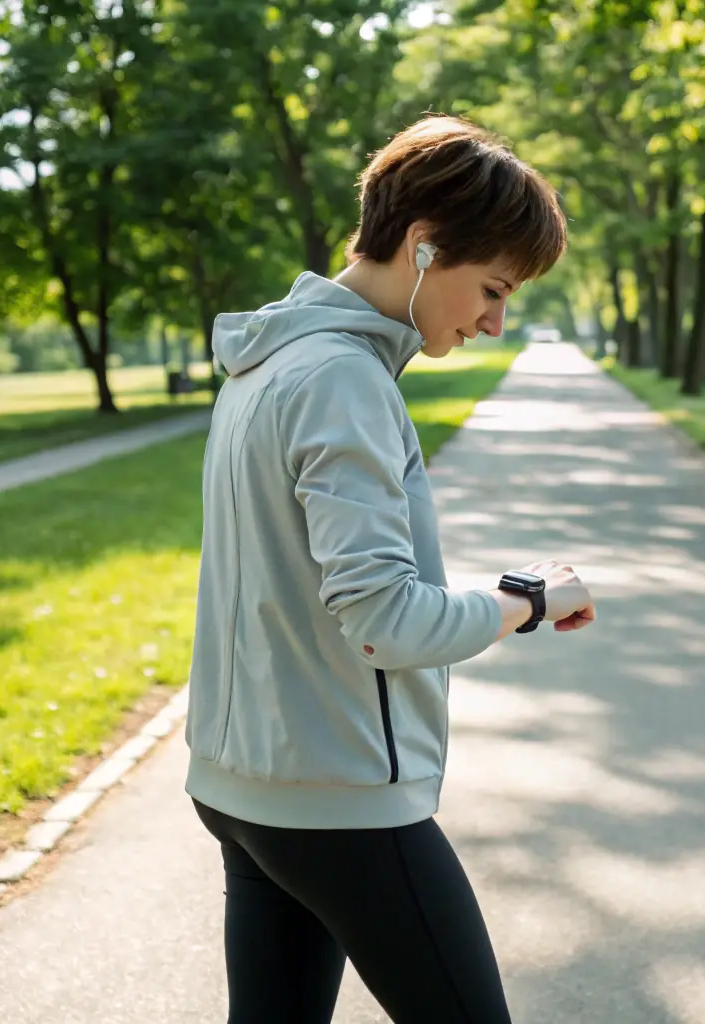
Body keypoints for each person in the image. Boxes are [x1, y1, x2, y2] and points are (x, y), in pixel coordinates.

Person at [184, 115, 598, 1024]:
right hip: (338, 797)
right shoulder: (342, 378)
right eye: (491, 288)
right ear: (421, 247)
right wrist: (522, 600)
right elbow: (384, 621)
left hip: (243, 783)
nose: (494, 322)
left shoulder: (266, 362)